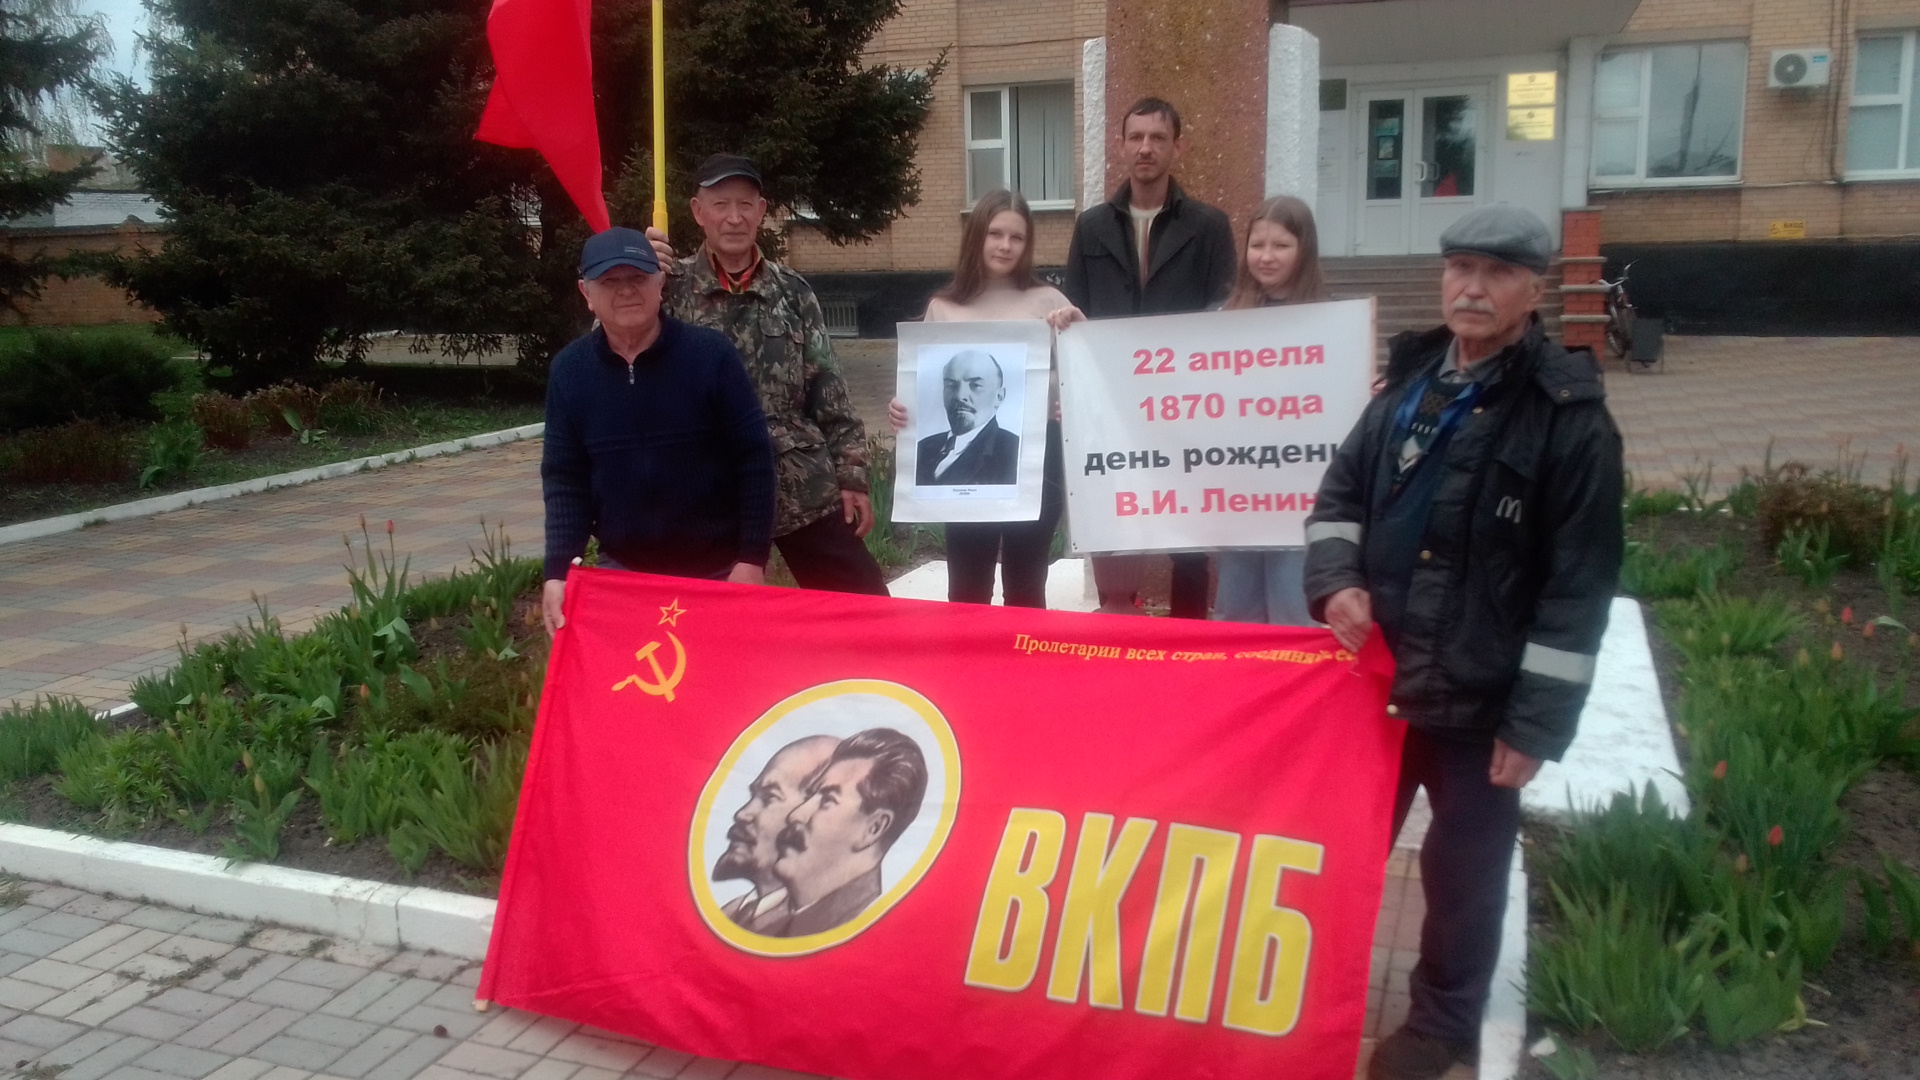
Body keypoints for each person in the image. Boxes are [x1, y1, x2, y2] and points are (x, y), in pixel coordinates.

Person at [1302, 205, 1623, 1080]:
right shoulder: (1408, 386)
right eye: (1460, 269)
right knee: (1337, 845)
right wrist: (1337, 580)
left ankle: (1442, 1024)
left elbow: (1579, 586)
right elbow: (1337, 499)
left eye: (1497, 273)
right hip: (1377, 683)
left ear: (1534, 290)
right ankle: (1310, 992)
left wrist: (1537, 723)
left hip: (1481, 698)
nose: (1473, 289)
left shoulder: (1569, 417)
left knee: (1463, 874)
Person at [647, 154, 888, 596]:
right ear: (698, 212)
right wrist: (639, 273)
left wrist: (852, 474)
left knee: (863, 604)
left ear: (761, 211)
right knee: (705, 616)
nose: (734, 217)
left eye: (745, 204)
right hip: (707, 487)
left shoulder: (792, 292)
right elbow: (614, 349)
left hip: (798, 482)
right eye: (721, 205)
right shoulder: (667, 287)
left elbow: (829, 390)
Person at [540, 227, 776, 636]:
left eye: (638, 277)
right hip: (625, 575)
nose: (626, 290)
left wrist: (752, 559)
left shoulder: (712, 356)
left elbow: (754, 458)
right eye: (609, 281)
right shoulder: (569, 372)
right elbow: (564, 479)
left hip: (719, 571)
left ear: (660, 282)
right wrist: (558, 571)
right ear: (586, 293)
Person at [1062, 97, 1236, 618]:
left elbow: (1224, 311)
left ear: (1177, 147)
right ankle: (1117, 622)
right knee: (1114, 514)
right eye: (1136, 137)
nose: (1145, 148)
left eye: (1157, 138)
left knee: (1189, 528)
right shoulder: (1091, 226)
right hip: (1112, 400)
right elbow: (1076, 313)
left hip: (1185, 402)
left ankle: (1189, 630)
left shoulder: (1209, 226)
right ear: (1121, 145)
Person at [887, 189, 1076, 607]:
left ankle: (1024, 650)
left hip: (1037, 458)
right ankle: (970, 651)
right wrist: (902, 409)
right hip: (963, 479)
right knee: (967, 584)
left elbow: (1088, 372)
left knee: (1027, 581)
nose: (1005, 245)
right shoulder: (943, 308)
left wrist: (1073, 397)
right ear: (977, 236)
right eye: (995, 233)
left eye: (1017, 237)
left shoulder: (1049, 302)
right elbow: (922, 385)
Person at [1212, 195, 1331, 627]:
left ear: (1304, 249)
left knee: (1295, 615)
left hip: (1301, 497)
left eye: (1280, 245)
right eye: (1257, 244)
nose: (1266, 256)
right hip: (1238, 495)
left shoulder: (1332, 322)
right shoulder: (1222, 318)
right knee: (1235, 617)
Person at [764, 727, 929, 938]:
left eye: (828, 800)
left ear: (873, 828)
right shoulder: (767, 925)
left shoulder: (874, 930)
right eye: (810, 796)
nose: (796, 815)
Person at [714, 735, 839, 934]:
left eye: (769, 797)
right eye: (753, 796)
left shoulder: (819, 925)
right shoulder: (727, 915)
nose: (742, 814)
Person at [915, 349, 1019, 485]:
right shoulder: (922, 448)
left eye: (975, 385)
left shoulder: (1013, 452)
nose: (959, 396)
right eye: (951, 385)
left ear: (999, 397)